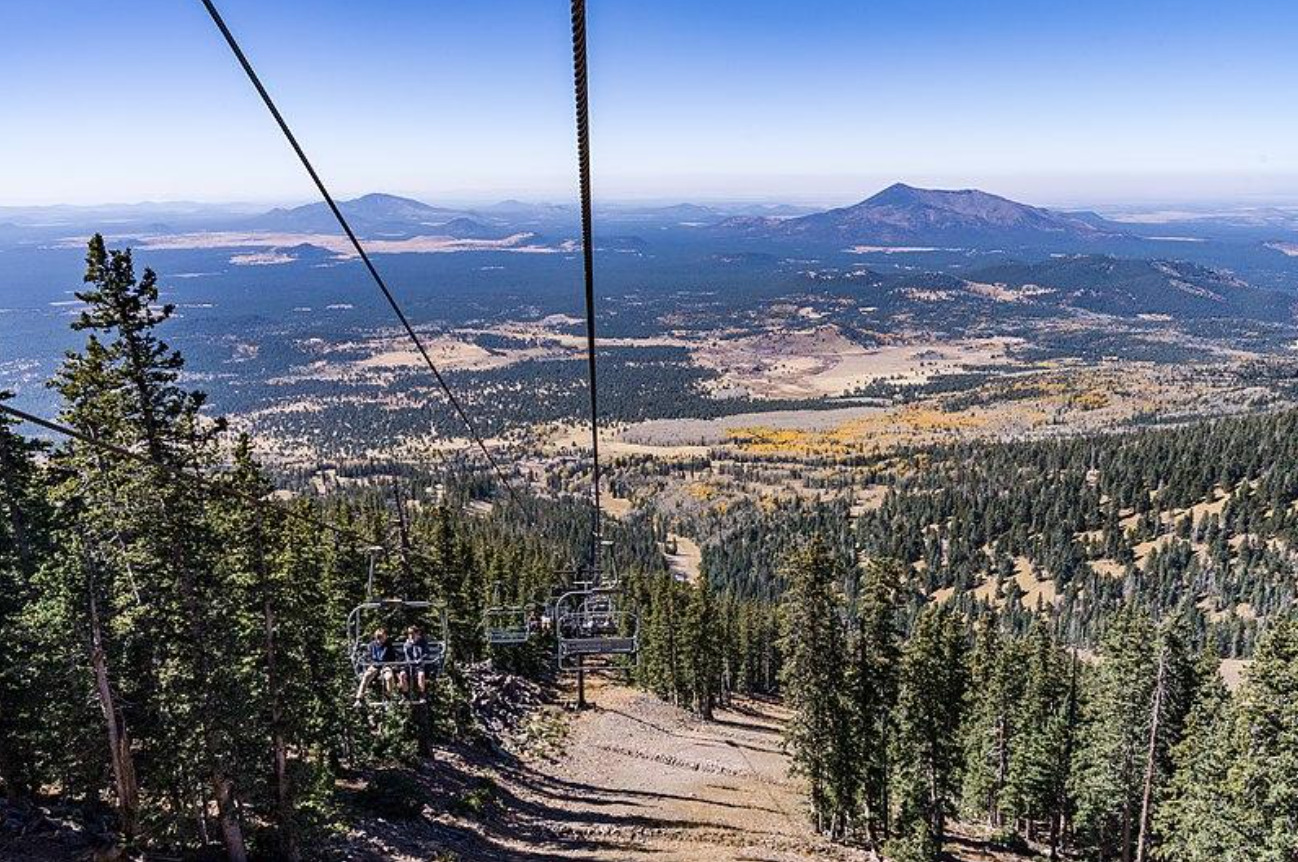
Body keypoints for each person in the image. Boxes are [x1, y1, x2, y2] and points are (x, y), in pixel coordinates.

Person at [353, 628, 396, 706]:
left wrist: (388, 664)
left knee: (389, 677)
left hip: (385, 665)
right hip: (375, 665)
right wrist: (372, 663)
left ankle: (388, 696)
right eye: (381, 637)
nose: (383, 639)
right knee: (366, 676)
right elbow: (369, 656)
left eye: (384, 637)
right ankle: (359, 698)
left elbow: (392, 657)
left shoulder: (388, 645)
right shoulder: (372, 645)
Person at [400, 625, 433, 697]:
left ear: (417, 633)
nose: (411, 635)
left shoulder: (423, 643)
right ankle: (405, 695)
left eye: (412, 633)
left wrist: (420, 660)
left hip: (419, 665)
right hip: (409, 665)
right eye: (409, 633)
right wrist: (410, 644)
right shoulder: (407, 644)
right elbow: (407, 656)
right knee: (402, 674)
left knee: (421, 675)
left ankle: (422, 694)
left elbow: (426, 654)